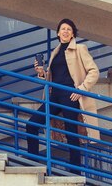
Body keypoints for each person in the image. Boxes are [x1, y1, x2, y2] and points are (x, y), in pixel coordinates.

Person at [26, 18, 100, 172]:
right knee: (32, 124)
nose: (65, 31)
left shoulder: (80, 49)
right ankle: (32, 162)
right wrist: (41, 73)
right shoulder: (56, 52)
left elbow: (94, 71)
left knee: (71, 131)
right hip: (55, 95)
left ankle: (75, 171)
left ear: (73, 34)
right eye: (63, 29)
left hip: (70, 95)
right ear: (58, 33)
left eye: (69, 29)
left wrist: (81, 89)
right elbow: (54, 77)